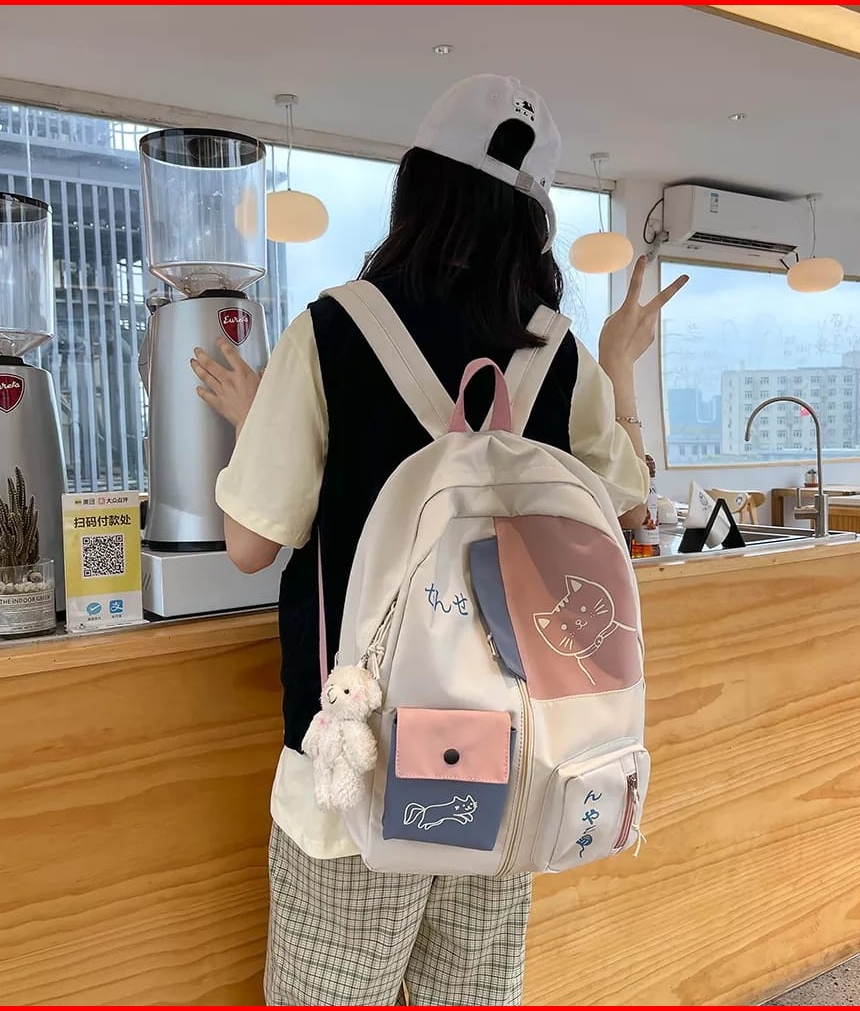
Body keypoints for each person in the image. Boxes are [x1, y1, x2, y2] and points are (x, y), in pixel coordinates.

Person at [191, 75, 687, 1006]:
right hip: (511, 754)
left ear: (414, 185)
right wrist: (620, 364)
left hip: (354, 762)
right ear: (533, 219)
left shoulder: (331, 331)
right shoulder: (561, 354)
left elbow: (251, 544)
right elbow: (629, 508)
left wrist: (259, 418)